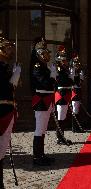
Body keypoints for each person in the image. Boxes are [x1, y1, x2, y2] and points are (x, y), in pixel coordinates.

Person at [30, 37, 56, 166]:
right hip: (41, 101)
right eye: (45, 52)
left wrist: (52, 77)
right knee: (39, 130)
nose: (47, 55)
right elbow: (43, 84)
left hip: (46, 100)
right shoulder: (37, 66)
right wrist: (52, 77)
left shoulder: (43, 66)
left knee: (43, 130)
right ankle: (36, 157)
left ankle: (41, 155)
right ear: (40, 54)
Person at [0, 34, 21, 188]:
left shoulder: (5, 66)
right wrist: (13, 78)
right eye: (6, 47)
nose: (9, 50)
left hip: (7, 110)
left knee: (1, 152)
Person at [54, 45, 73, 145]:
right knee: (60, 118)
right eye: (64, 60)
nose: (66, 62)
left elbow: (70, 81)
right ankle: (59, 138)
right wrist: (70, 79)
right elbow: (63, 81)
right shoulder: (58, 70)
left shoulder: (65, 70)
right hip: (61, 94)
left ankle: (61, 136)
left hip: (65, 94)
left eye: (66, 60)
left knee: (63, 118)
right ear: (60, 61)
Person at [69, 51, 85, 133]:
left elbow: (81, 79)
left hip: (78, 89)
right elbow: (71, 79)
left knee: (78, 109)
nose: (77, 64)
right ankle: (74, 127)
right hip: (74, 89)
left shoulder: (80, 70)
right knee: (75, 109)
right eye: (75, 62)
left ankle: (77, 126)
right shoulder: (71, 69)